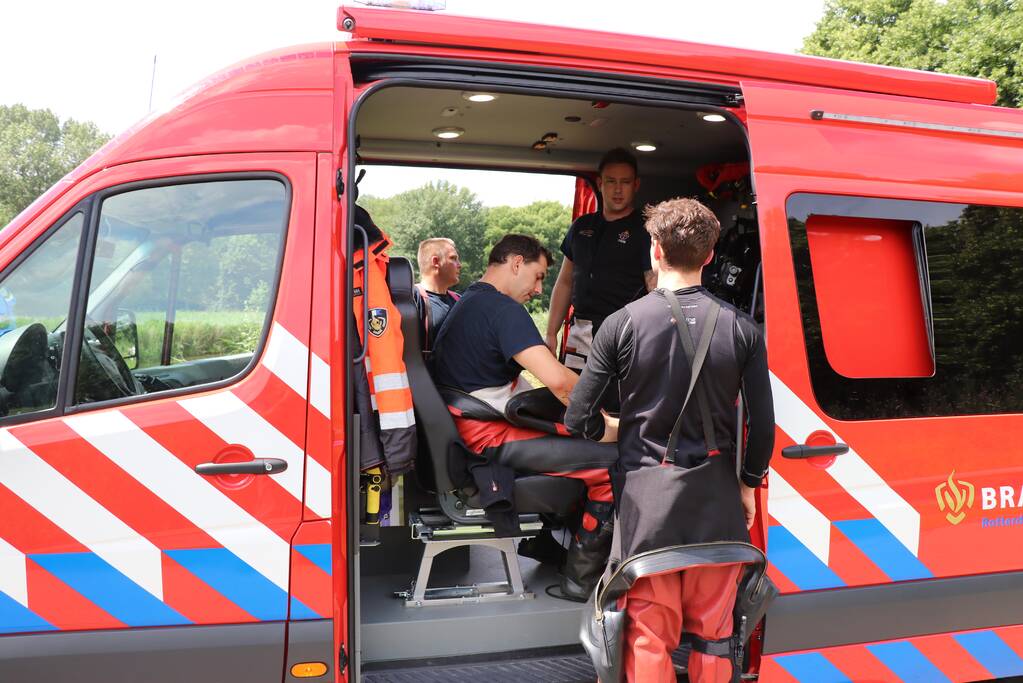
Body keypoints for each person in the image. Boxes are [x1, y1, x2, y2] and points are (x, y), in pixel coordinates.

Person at [565, 198, 775, 682]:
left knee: (648, 636)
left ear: (655, 251)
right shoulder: (744, 328)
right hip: (718, 502)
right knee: (716, 635)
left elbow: (579, 418)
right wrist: (747, 485)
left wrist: (612, 429)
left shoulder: (622, 323)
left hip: (648, 510)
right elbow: (761, 427)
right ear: (709, 255)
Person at [433, 234, 619, 600]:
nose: (538, 289)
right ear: (516, 263)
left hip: (470, 431)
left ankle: (547, 547)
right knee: (618, 461)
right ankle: (581, 581)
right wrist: (606, 425)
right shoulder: (502, 310)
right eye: (537, 276)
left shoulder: (467, 302)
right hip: (488, 437)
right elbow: (560, 383)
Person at [545, 147, 656, 370]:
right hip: (581, 329)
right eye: (611, 181)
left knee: (615, 401)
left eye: (625, 182)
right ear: (599, 183)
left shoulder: (647, 229)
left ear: (636, 185)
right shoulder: (581, 226)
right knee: (573, 397)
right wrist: (551, 334)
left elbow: (654, 286)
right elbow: (566, 281)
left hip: (624, 330)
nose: (617, 189)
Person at [414, 237, 462, 351]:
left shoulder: (459, 300)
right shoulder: (412, 298)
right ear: (435, 262)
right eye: (453, 258)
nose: (459, 265)